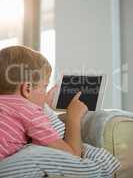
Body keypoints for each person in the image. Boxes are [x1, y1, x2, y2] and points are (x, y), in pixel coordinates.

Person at [0, 45, 120, 177]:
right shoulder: (30, 112)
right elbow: (71, 155)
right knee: (35, 153)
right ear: (27, 88)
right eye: (44, 86)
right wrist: (73, 118)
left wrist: (42, 102)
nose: (45, 92)